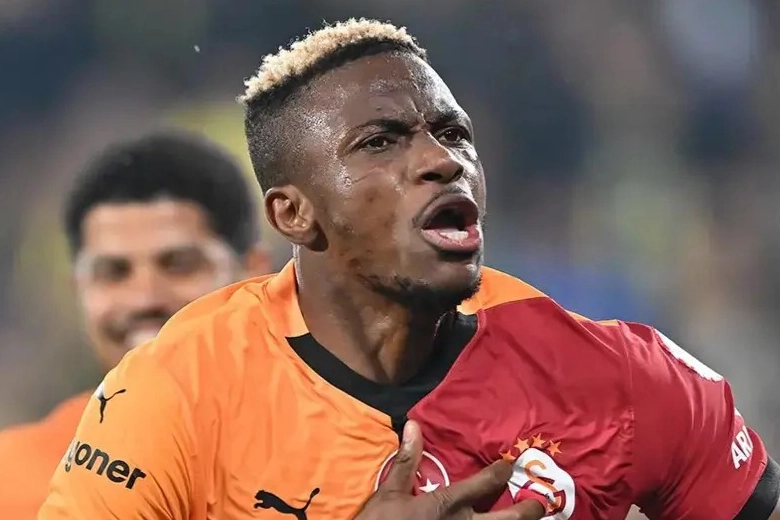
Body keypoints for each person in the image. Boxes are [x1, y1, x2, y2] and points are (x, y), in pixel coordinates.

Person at [39, 19, 779, 520]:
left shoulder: (620, 377)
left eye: (453, 133)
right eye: (380, 142)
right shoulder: (176, 392)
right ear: (293, 214)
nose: (441, 160)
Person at [0, 130, 270, 519]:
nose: (145, 299)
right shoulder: (13, 483)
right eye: (113, 271)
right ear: (79, 290)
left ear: (255, 272)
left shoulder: (346, 453)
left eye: (179, 264)